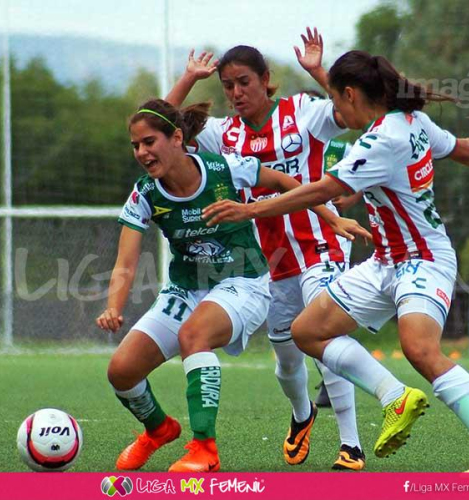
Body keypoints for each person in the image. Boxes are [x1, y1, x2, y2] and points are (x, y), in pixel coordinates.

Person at [202, 50, 469, 473]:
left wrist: (250, 210)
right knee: (307, 331)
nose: (333, 110)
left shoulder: (381, 138)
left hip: (423, 261)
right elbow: (463, 150)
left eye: (335, 100)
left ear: (351, 95)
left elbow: (319, 190)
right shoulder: (413, 122)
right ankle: (397, 396)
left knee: (420, 349)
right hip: (384, 263)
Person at [97, 98, 367, 473]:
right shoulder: (145, 193)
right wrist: (114, 306)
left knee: (195, 336)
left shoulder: (223, 168)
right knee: (121, 371)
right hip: (186, 289)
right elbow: (126, 261)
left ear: (177, 138)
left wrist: (331, 218)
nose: (142, 152)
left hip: (243, 281)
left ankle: (204, 449)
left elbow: (284, 181)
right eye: (136, 145)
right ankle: (158, 430)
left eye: (149, 142)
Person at [165, 28, 371, 470]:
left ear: (265, 79)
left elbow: (351, 110)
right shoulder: (224, 135)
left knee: (327, 340)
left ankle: (351, 446)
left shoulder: (301, 113)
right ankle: (302, 415)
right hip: (270, 263)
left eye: (244, 82)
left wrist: (319, 70)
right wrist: (187, 80)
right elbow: (164, 129)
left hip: (322, 243)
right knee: (287, 363)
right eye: (227, 86)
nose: (236, 93)